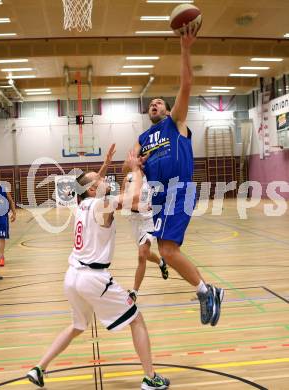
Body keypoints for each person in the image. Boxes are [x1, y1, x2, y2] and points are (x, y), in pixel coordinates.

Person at [27, 151, 170, 390]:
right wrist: (136, 168)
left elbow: (87, 186)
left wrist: (103, 166)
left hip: (72, 276)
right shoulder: (102, 205)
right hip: (93, 278)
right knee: (136, 320)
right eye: (101, 179)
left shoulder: (81, 203)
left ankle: (39, 367)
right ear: (93, 189)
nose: (105, 180)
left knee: (77, 326)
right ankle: (150, 378)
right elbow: (135, 197)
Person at [129, 23, 224, 327]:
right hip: (156, 196)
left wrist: (185, 48)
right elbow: (128, 165)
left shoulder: (175, 123)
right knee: (167, 251)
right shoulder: (143, 137)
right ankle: (206, 290)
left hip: (176, 190)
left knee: (167, 250)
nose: (153, 104)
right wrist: (133, 164)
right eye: (150, 103)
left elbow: (186, 84)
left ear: (169, 110)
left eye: (159, 102)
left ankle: (206, 291)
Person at [121, 169, 169, 301]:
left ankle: (134, 292)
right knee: (146, 254)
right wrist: (137, 207)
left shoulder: (155, 177)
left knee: (142, 254)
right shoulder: (128, 179)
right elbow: (123, 202)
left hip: (149, 221)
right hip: (134, 221)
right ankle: (161, 263)